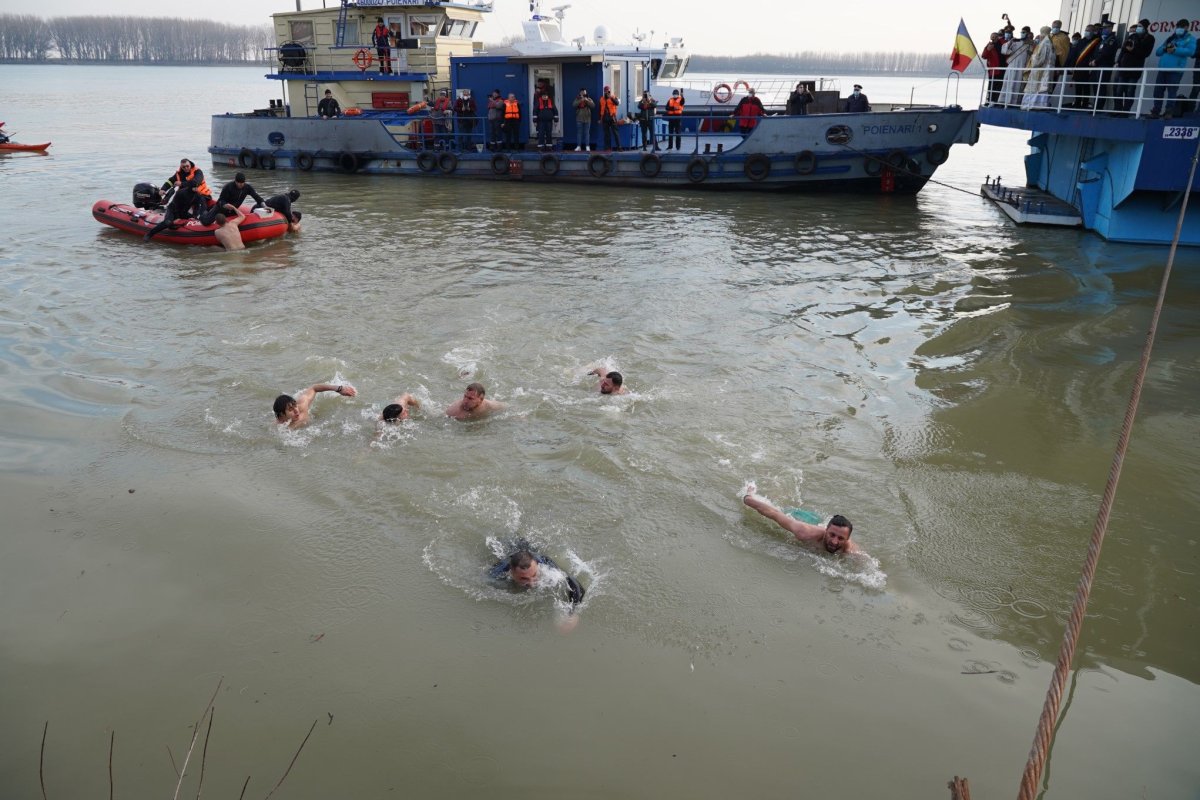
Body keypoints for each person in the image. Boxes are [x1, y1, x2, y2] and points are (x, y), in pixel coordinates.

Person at [489, 545, 586, 632]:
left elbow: (574, 583)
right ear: (511, 572)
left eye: (534, 575)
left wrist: (572, 613)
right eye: (524, 578)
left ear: (536, 564)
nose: (531, 583)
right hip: (507, 548)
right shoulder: (498, 572)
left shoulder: (544, 562)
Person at [741, 486, 861, 555]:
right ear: (826, 530)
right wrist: (748, 498)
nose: (834, 542)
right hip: (804, 518)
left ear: (847, 539)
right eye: (832, 535)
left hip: (818, 521)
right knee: (783, 509)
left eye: (840, 538)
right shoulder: (804, 532)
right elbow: (775, 514)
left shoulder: (849, 549)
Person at [1149, 19, 1196, 119]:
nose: (1179, 29)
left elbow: (1190, 52)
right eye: (1178, 27)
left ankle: (1168, 112)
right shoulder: (1171, 38)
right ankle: (1156, 111)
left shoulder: (1190, 39)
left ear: (1187, 28)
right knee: (1158, 91)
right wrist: (1165, 48)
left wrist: (1175, 49)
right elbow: (1158, 52)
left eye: (1181, 27)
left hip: (1175, 71)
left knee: (1172, 92)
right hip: (1162, 70)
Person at [273, 383, 357, 429]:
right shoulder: (281, 428)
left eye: (295, 406)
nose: (296, 410)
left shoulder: (302, 405)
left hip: (316, 420)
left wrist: (339, 389)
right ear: (282, 416)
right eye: (290, 409)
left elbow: (314, 388)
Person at [1114, 20, 1154, 113]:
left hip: (1135, 68)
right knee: (1119, 90)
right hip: (1124, 67)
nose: (1138, 28)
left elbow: (1146, 53)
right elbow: (1123, 50)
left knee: (1130, 91)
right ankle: (1117, 110)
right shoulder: (1132, 36)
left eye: (1140, 26)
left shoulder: (1149, 38)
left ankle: (1126, 111)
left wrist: (1133, 49)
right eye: (1138, 26)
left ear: (1145, 27)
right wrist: (1118, 62)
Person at [200, 173, 264, 225]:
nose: (240, 185)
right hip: (221, 208)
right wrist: (225, 205)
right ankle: (203, 212)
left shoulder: (247, 187)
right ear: (235, 181)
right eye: (239, 183)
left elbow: (257, 197)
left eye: (242, 183)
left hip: (233, 210)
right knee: (206, 222)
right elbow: (221, 200)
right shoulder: (228, 187)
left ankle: (211, 208)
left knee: (241, 222)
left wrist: (264, 205)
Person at [1021, 27, 1056, 109]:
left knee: (1036, 88)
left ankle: (1033, 105)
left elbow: (1040, 59)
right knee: (1042, 88)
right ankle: (1041, 104)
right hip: (1047, 70)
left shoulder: (1044, 44)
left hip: (1040, 70)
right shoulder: (1050, 43)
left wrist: (1033, 57)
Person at [1088, 23, 1120, 111]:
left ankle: (1099, 107)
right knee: (1095, 85)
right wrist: (1091, 60)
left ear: (1111, 28)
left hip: (1104, 66)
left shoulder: (1112, 40)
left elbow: (1106, 53)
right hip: (1096, 66)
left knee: (1101, 86)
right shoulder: (1102, 40)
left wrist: (1096, 61)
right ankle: (1096, 105)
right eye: (1103, 28)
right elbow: (1095, 52)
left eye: (1106, 28)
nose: (1103, 30)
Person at [1000, 29, 1032, 107]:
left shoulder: (1031, 45)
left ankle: (1015, 103)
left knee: (1018, 85)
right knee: (1008, 83)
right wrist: (1010, 42)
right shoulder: (1015, 42)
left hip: (1022, 67)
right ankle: (1004, 101)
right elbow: (1004, 51)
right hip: (1012, 66)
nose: (1022, 34)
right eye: (1022, 32)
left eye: (1024, 33)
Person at [982, 32, 1004, 104]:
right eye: (992, 37)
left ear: (998, 37)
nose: (993, 38)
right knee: (992, 86)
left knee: (1000, 86)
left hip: (1003, 69)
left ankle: (998, 101)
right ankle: (991, 100)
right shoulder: (989, 45)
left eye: (995, 36)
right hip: (994, 70)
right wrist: (988, 49)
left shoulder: (1002, 44)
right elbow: (984, 56)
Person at [534, 87, 558, 152]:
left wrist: (556, 121)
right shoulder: (538, 102)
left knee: (549, 134)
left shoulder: (551, 102)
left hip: (549, 122)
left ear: (547, 96)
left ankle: (549, 147)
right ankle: (540, 148)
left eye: (546, 96)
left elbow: (555, 112)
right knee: (541, 134)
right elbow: (535, 111)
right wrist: (535, 121)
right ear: (542, 96)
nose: (545, 97)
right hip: (540, 122)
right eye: (544, 96)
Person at [599, 85, 620, 151]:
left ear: (609, 91)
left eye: (608, 91)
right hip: (605, 117)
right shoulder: (601, 99)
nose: (606, 92)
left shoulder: (613, 97)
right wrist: (600, 119)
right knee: (606, 134)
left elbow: (617, 103)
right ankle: (607, 148)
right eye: (605, 91)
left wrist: (611, 98)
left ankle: (619, 147)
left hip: (612, 117)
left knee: (615, 133)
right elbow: (600, 109)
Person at [573, 87, 594, 151]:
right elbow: (574, 105)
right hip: (579, 118)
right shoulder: (577, 98)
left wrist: (587, 101)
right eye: (582, 92)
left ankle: (587, 146)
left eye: (584, 92)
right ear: (580, 92)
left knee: (587, 133)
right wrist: (580, 100)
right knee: (579, 133)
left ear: (586, 92)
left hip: (587, 119)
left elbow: (593, 106)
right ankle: (579, 146)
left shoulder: (589, 99)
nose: (583, 93)